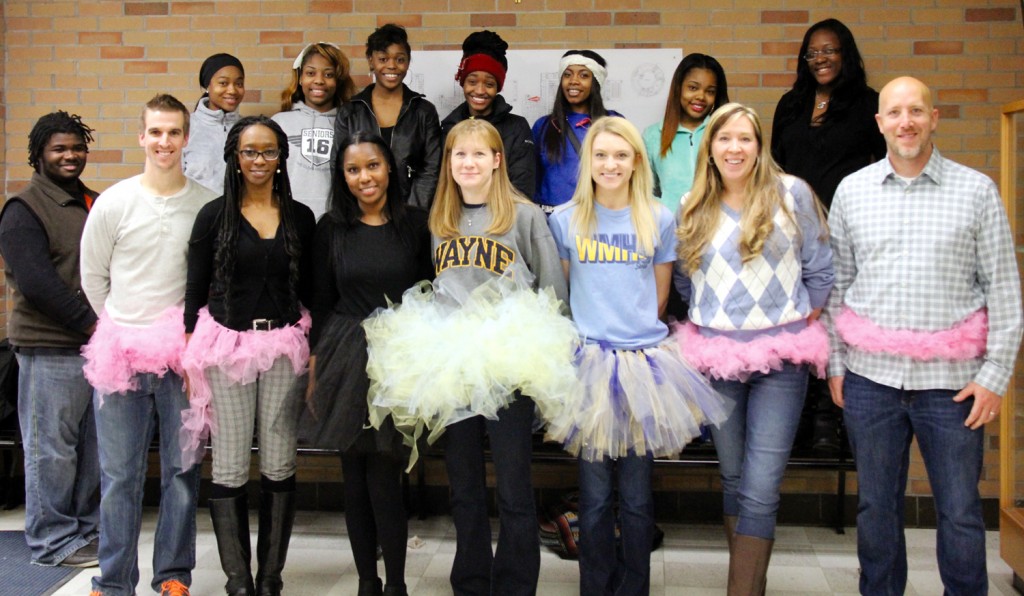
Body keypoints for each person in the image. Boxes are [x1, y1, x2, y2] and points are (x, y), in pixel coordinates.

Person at [824, 76, 1023, 595]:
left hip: (953, 385)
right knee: (877, 506)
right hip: (871, 379)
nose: (905, 122)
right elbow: (838, 285)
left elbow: (1003, 289)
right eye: (895, 113)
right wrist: (836, 363)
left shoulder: (976, 190)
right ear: (880, 122)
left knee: (958, 511)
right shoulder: (853, 190)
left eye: (916, 111)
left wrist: (995, 376)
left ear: (934, 118)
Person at [362, 119, 576, 595]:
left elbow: (553, 292)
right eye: (460, 155)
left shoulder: (525, 216)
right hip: (453, 361)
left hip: (512, 360)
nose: (469, 163)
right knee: (464, 486)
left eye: (480, 154)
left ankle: (516, 584)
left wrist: (554, 357)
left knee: (515, 486)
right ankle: (472, 581)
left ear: (498, 160)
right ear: (450, 163)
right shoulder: (438, 218)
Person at [546, 116, 725, 596]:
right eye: (601, 155)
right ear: (589, 162)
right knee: (596, 496)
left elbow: (660, 298)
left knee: (638, 496)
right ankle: (595, 586)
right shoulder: (565, 219)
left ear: (635, 162)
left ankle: (634, 588)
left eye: (621, 155)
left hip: (645, 366)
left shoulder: (659, 218)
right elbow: (565, 292)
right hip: (589, 367)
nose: (611, 164)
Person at [674, 103, 834, 593]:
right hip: (717, 359)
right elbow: (684, 282)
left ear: (760, 146)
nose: (735, 148)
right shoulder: (691, 204)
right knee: (734, 478)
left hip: (780, 361)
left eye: (745, 138)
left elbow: (821, 267)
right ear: (711, 148)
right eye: (725, 139)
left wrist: (799, 315)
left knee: (762, 487)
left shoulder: (792, 194)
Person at [80, 94, 217, 596]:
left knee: (182, 472)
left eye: (173, 132)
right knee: (119, 474)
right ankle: (113, 581)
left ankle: (173, 576)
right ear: (141, 136)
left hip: (182, 359)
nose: (164, 142)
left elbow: (206, 284)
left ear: (186, 138)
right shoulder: (114, 202)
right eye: (155, 132)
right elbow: (93, 278)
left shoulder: (206, 204)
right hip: (120, 356)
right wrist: (121, 330)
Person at [179, 116, 315, 596]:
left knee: (280, 461)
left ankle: (270, 578)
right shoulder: (213, 215)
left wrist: (315, 356)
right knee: (231, 463)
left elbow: (311, 290)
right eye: (250, 152)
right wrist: (189, 356)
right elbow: (195, 289)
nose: (260, 161)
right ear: (235, 157)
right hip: (226, 348)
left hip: (282, 346)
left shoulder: (300, 216)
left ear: (281, 158)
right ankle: (239, 580)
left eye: (269, 152)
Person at [302, 132, 432, 596]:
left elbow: (428, 292)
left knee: (385, 472)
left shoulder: (416, 224)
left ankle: (395, 583)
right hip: (344, 352)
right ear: (343, 176)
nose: (364, 177)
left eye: (372, 166)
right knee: (352, 474)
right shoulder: (330, 228)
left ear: (389, 168)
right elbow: (320, 300)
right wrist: (316, 365)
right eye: (353, 170)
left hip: (398, 354)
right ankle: (366, 582)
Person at [771, 18, 886, 453]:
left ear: (846, 53)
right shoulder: (791, 104)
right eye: (812, 53)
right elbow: (777, 165)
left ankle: (827, 416)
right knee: (800, 317)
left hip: (848, 230)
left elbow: (884, 164)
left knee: (836, 319)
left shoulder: (868, 103)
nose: (820, 59)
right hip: (793, 233)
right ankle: (798, 413)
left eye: (829, 50)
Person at [0, 111, 100, 568]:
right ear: (39, 153)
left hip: (97, 351)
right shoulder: (23, 209)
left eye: (77, 147)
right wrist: (93, 324)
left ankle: (84, 530)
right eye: (59, 148)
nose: (70, 155)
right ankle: (52, 541)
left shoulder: (94, 202)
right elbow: (38, 283)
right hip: (49, 349)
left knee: (90, 449)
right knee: (51, 450)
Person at [336, 23, 442, 209]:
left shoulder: (423, 112)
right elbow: (339, 166)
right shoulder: (350, 112)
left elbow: (431, 170)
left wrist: (411, 213)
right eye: (383, 59)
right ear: (371, 61)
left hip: (411, 214)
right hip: (361, 213)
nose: (391, 66)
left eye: (399, 59)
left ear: (408, 62)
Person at [440, 30, 535, 197]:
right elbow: (443, 185)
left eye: (489, 84)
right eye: (472, 81)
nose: (480, 90)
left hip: (505, 219)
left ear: (498, 87)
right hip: (458, 219)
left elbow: (522, 186)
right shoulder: (449, 128)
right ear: (462, 82)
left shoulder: (517, 128)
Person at [272, 42, 356, 221]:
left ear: (338, 80)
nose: (319, 80)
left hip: (336, 222)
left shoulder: (350, 124)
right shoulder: (279, 124)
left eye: (328, 74)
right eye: (310, 73)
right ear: (300, 78)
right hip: (288, 220)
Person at [532, 49, 622, 212]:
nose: (573, 81)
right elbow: (532, 176)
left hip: (597, 218)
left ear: (596, 82)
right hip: (550, 222)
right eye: (567, 75)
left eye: (583, 75)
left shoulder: (613, 122)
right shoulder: (544, 126)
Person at [642, 53, 730, 213]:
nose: (701, 96)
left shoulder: (725, 133)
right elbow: (645, 190)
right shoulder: (653, 135)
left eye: (710, 91)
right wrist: (663, 212)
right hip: (671, 231)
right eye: (693, 88)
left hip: (718, 229)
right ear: (678, 88)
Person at [183, 53, 245, 194]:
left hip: (240, 214)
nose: (232, 90)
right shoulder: (186, 126)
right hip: (196, 213)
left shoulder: (250, 128)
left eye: (239, 84)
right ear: (207, 86)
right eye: (223, 83)